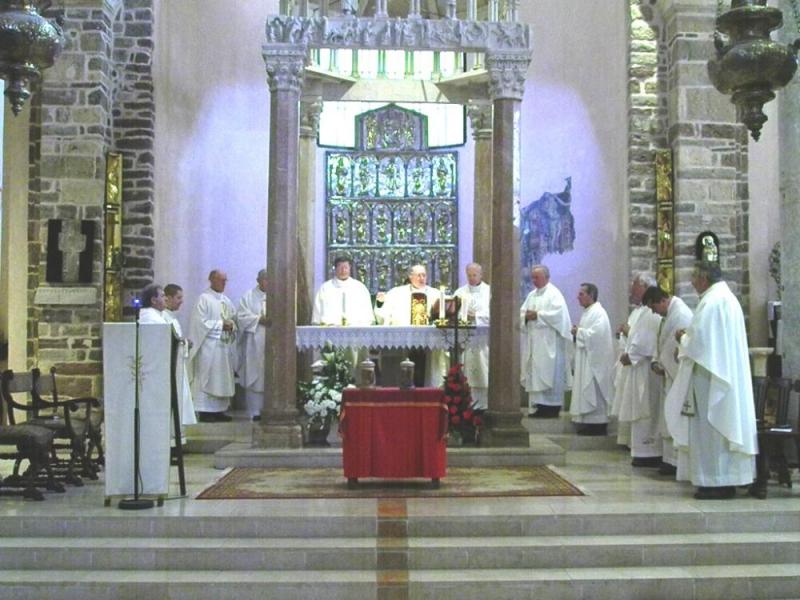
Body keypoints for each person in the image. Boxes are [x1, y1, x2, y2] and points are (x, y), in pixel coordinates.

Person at [666, 261, 757, 500]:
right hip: (722, 376)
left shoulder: (711, 302)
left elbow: (700, 342)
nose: (692, 282)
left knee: (712, 431)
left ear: (704, 278)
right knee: (722, 428)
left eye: (694, 277)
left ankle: (716, 482)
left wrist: (682, 339)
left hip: (711, 379)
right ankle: (726, 480)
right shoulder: (727, 299)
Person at [612, 273, 663, 466]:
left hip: (645, 370)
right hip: (636, 366)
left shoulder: (650, 311)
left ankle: (648, 451)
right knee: (637, 408)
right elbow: (637, 336)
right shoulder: (640, 311)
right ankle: (639, 449)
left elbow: (646, 339)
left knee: (645, 409)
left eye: (634, 285)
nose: (631, 289)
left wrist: (631, 354)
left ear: (644, 287)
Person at [643, 285, 693, 476]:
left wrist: (661, 363)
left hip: (676, 375)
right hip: (668, 374)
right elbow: (662, 342)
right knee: (668, 415)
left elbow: (673, 347)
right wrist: (657, 361)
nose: (654, 312)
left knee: (674, 415)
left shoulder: (680, 314)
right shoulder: (669, 314)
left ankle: (675, 461)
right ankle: (668, 459)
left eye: (654, 307)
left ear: (663, 301)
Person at [375, 264, 444, 386]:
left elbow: (445, 312)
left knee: (427, 369)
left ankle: (428, 389)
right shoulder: (397, 293)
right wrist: (380, 303)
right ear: (410, 276)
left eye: (424, 275)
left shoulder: (436, 294)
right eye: (418, 275)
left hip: (429, 340)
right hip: (404, 340)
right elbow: (383, 314)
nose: (422, 278)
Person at [520, 265, 572, 418]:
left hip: (549, 342)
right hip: (534, 342)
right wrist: (525, 317)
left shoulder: (554, 294)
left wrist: (538, 315)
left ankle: (551, 408)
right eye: (532, 277)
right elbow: (522, 313)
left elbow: (559, 316)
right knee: (536, 373)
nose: (533, 280)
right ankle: (538, 406)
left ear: (547, 278)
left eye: (537, 277)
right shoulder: (531, 295)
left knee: (550, 373)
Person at [187, 269, 238, 422]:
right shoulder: (203, 299)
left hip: (223, 347)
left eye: (225, 280)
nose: (224, 283)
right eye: (221, 280)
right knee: (208, 377)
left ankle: (219, 410)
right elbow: (199, 323)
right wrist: (221, 325)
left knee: (221, 378)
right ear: (211, 280)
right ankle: (204, 411)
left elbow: (233, 319)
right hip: (208, 348)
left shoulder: (226, 300)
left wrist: (232, 325)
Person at [570, 283, 615, 435]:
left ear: (591, 295)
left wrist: (579, 332)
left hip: (595, 362)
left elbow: (597, 336)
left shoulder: (599, 313)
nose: (578, 297)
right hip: (587, 358)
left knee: (594, 390)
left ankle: (598, 425)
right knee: (587, 389)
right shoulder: (588, 312)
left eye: (581, 294)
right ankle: (588, 423)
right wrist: (578, 333)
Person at [454, 263, 490, 410]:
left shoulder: (489, 291)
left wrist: (476, 316)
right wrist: (462, 316)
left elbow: (495, 313)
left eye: (474, 275)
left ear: (481, 275)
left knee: (483, 369)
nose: (472, 278)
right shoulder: (459, 293)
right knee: (468, 371)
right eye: (469, 275)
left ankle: (484, 404)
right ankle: (469, 404)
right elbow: (453, 312)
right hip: (467, 340)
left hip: (484, 340)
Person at [163, 283, 198, 431]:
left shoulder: (171, 317)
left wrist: (184, 344)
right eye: (178, 298)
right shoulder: (163, 318)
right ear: (168, 298)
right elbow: (167, 343)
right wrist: (184, 344)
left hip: (177, 366)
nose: (181, 301)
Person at [237, 269, 268, 422]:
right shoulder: (248, 296)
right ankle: (254, 411)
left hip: (271, 343)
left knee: (268, 375)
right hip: (254, 343)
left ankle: (270, 410)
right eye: (265, 279)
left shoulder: (278, 295)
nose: (268, 282)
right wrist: (259, 319)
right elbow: (241, 317)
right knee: (254, 376)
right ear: (258, 280)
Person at [312, 256, 375, 326]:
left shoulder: (360, 288)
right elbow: (317, 314)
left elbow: (367, 313)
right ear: (335, 269)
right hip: (331, 329)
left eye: (345, 267)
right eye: (340, 268)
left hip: (356, 329)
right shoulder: (325, 288)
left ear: (350, 268)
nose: (343, 270)